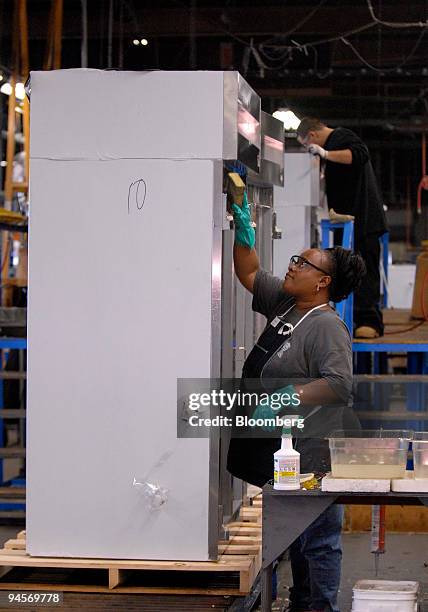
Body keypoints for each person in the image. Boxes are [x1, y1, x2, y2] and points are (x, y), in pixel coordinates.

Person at [227, 192, 365, 612]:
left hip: (312, 450)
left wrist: (291, 395)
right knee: (295, 535)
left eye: (303, 263)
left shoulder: (326, 326)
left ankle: (320, 607)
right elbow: (249, 273)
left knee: (319, 539)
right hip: (282, 447)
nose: (292, 265)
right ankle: (303, 601)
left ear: (323, 282)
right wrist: (243, 234)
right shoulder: (289, 302)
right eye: (295, 259)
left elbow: (340, 384)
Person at [296, 117, 387, 339]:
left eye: (307, 145)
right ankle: (356, 319)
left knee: (366, 272)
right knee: (351, 270)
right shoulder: (334, 144)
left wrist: (325, 155)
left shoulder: (340, 137)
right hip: (350, 221)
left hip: (364, 220)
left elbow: (360, 154)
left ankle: (370, 321)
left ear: (313, 135)